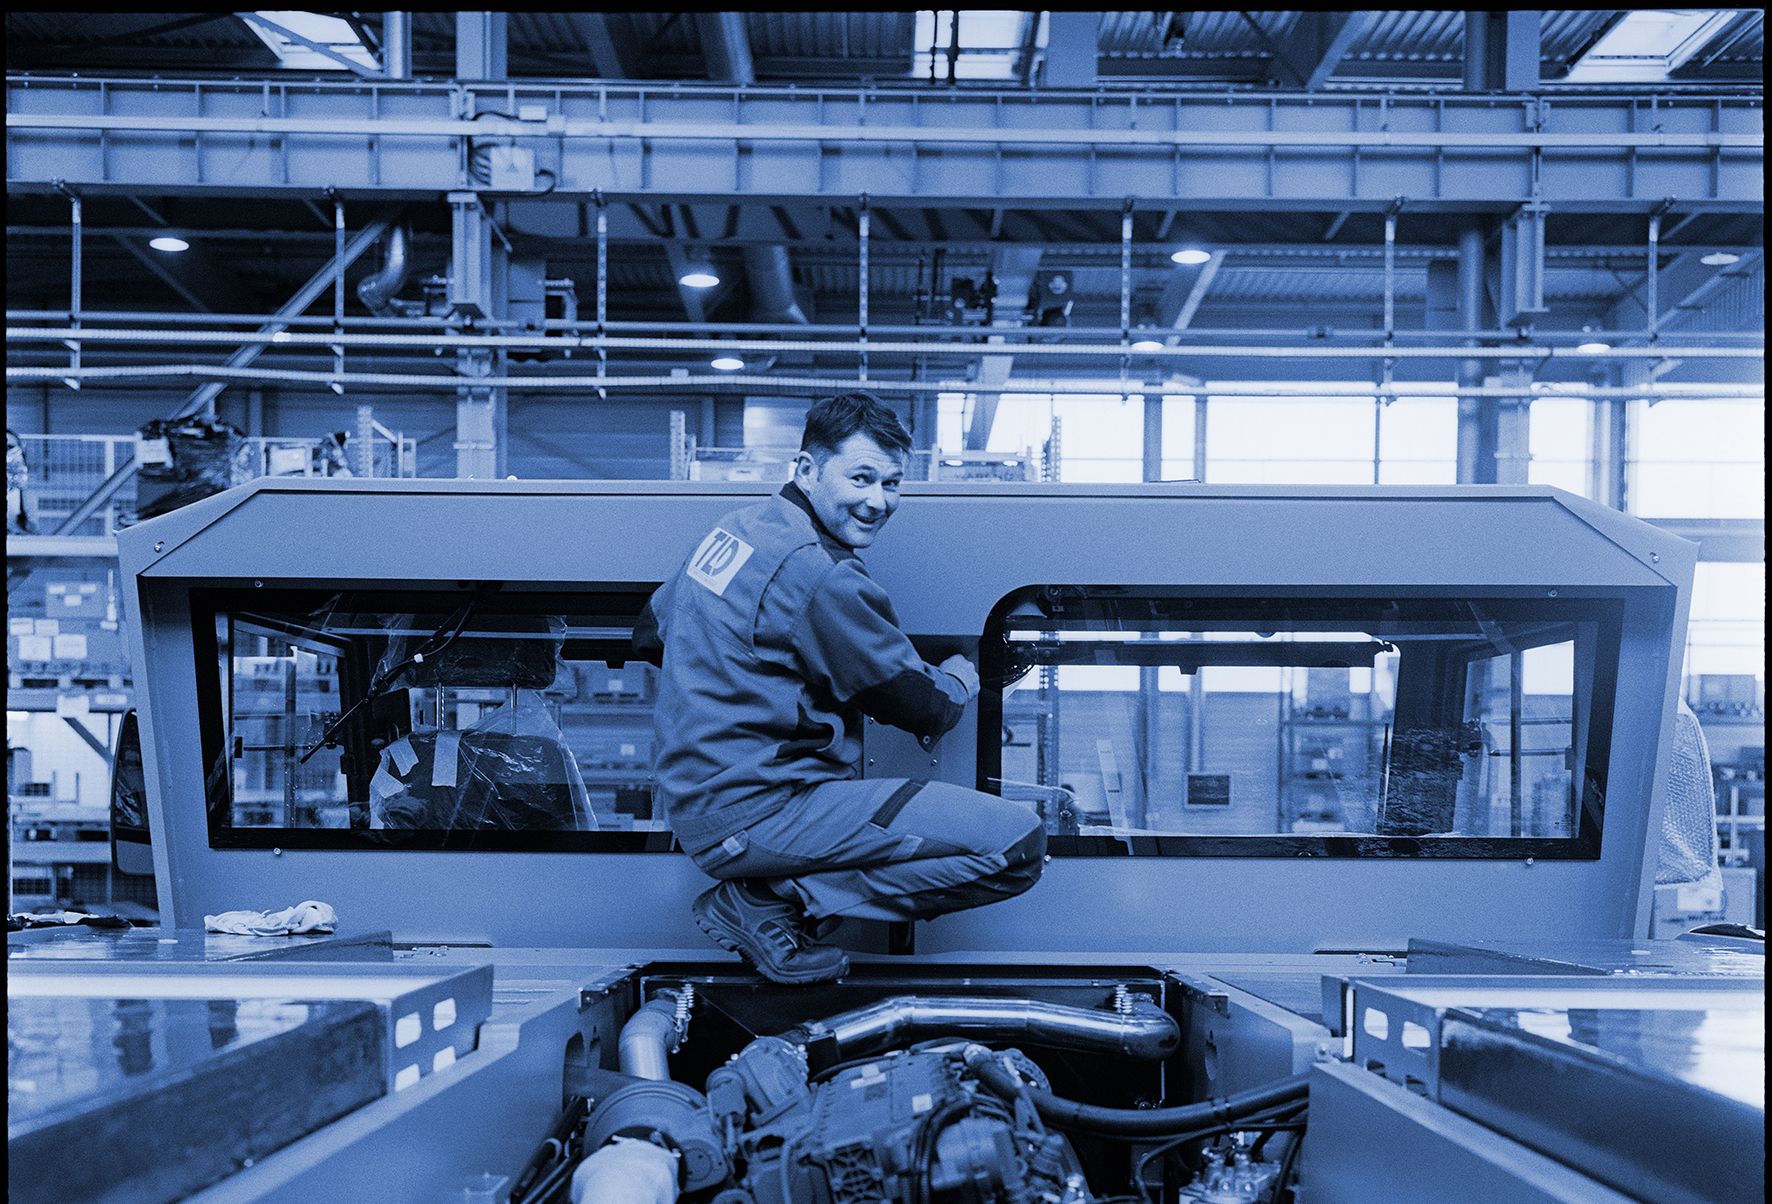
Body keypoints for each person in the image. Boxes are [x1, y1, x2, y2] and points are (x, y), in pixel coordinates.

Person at [634, 392, 1045, 984]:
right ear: (807, 469)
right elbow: (924, 705)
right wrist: (962, 673)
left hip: (697, 806)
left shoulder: (736, 531)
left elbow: (650, 633)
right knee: (1017, 846)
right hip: (764, 809)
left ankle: (770, 898)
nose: (878, 501)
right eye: (861, 478)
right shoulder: (820, 572)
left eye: (892, 484)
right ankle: (773, 901)